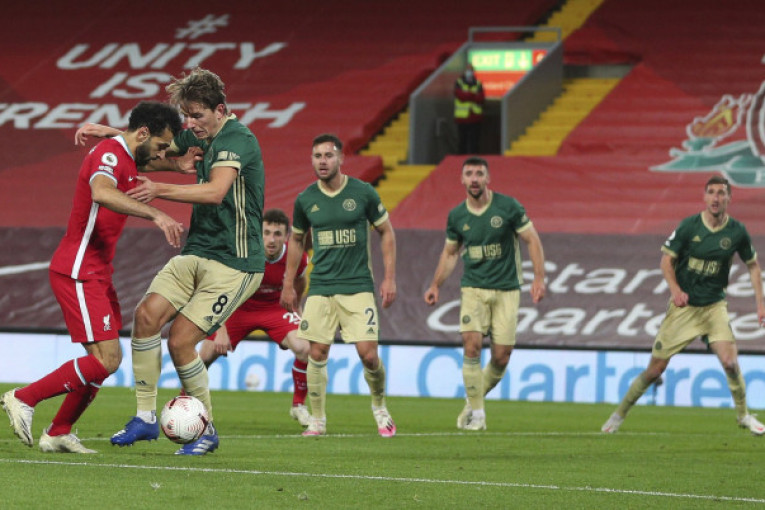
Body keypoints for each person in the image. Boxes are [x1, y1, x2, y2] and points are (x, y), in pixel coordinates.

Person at [77, 68, 266, 455]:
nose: (190, 124)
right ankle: (146, 418)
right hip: (197, 251)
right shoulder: (196, 136)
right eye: (187, 116)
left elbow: (215, 191)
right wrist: (113, 135)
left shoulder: (238, 139)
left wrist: (159, 189)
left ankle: (206, 430)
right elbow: (149, 151)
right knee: (146, 316)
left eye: (197, 115)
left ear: (220, 110)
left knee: (181, 341)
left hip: (236, 262)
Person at [0, 101, 184, 453]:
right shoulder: (111, 155)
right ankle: (24, 398)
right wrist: (156, 215)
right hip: (78, 270)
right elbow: (101, 191)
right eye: (161, 146)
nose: (163, 154)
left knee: (103, 361)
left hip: (96, 271)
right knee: (106, 359)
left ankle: (59, 431)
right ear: (143, 133)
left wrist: (175, 163)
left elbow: (142, 149)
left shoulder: (126, 153)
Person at [602, 175, 765, 435]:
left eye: (721, 193)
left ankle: (743, 415)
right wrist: (676, 290)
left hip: (714, 308)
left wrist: (760, 304)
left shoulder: (737, 231)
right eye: (711, 192)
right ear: (704, 197)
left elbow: (753, 266)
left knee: (730, 363)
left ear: (729, 198)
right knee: (655, 370)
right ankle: (619, 414)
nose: (715, 198)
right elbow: (666, 261)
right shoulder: (690, 226)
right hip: (684, 309)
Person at [280, 133, 397, 437]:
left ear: (341, 158)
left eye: (328, 155)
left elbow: (386, 231)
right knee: (317, 353)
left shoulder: (362, 192)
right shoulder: (306, 199)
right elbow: (296, 240)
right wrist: (288, 283)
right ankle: (318, 420)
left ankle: (379, 406)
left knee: (368, 355)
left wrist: (389, 277)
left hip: (358, 286)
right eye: (317, 156)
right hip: (321, 287)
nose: (323, 161)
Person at [424, 156, 546, 431]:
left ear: (488, 178)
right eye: (469, 174)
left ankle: (471, 401)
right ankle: (478, 415)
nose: (475, 179)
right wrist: (435, 285)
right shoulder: (457, 216)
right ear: (462, 179)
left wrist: (539, 277)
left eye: (479, 173)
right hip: (473, 289)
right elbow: (451, 253)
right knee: (472, 346)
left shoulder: (508, 207)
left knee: (501, 357)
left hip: (507, 290)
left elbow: (532, 239)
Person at [198, 208, 311, 426]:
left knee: (305, 347)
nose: (271, 239)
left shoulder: (297, 257)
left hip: (276, 308)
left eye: (277, 234)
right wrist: (220, 330)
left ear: (287, 236)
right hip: (238, 308)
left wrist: (297, 308)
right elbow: (221, 291)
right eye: (266, 233)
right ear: (259, 234)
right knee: (204, 357)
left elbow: (300, 281)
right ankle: (187, 403)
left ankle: (298, 405)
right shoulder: (243, 253)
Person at [454, 63, 485, 155]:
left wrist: (467, 95)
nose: (469, 72)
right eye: (467, 70)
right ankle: (461, 159)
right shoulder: (459, 82)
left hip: (475, 117)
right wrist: (473, 95)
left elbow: (480, 98)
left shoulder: (478, 83)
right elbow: (460, 96)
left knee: (474, 142)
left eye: (471, 70)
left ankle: (474, 158)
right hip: (462, 118)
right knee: (462, 141)